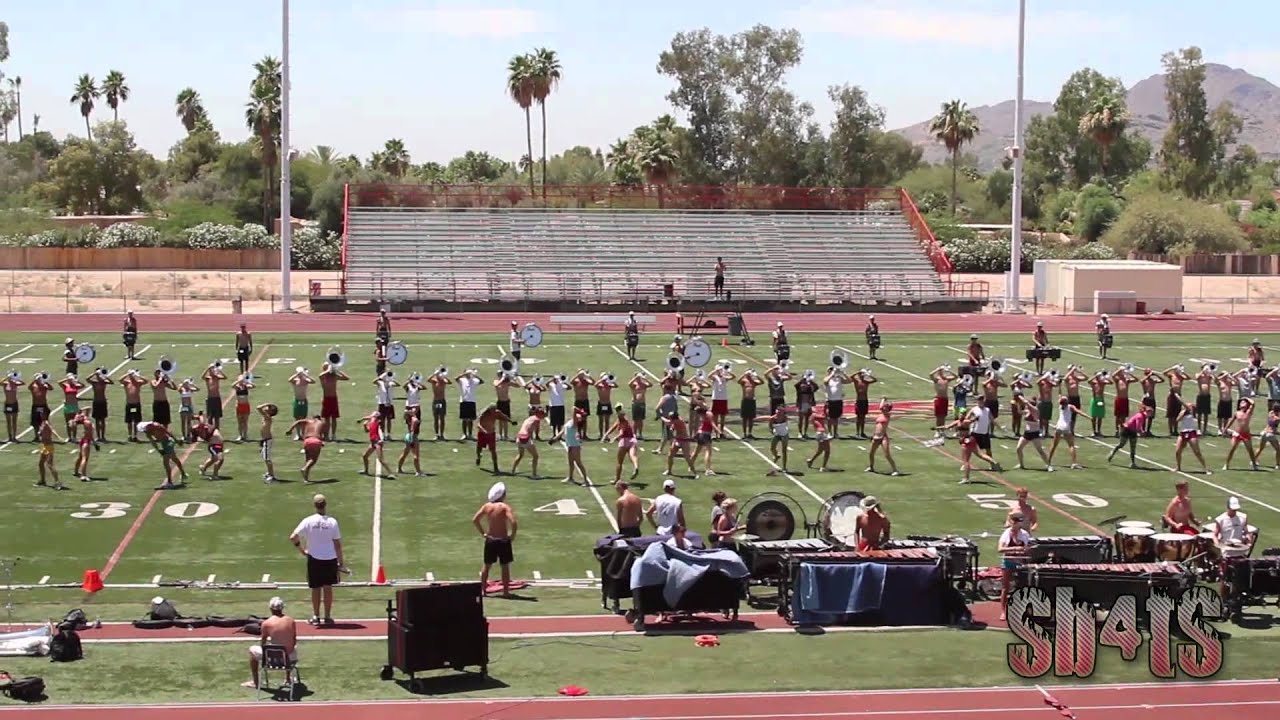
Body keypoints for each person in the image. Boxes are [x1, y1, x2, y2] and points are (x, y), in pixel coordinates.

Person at [290, 494, 347, 626]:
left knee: (315, 588)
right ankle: (327, 617)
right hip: (330, 559)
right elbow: (337, 544)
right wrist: (341, 563)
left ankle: (316, 616)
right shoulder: (332, 522)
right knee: (328, 588)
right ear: (325, 504)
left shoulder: (308, 521)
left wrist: (302, 550)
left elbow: (293, 537)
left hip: (314, 558)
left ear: (314, 505)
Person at [242, 597, 297, 690]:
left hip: (273, 659)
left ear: (271, 608)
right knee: (291, 648)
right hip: (289, 658)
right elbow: (294, 639)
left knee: (252, 650)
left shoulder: (266, 623)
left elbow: (263, 643)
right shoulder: (291, 621)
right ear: (282, 608)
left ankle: (256, 682)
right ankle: (288, 679)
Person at [474, 482, 518, 597]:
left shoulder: (487, 506)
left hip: (491, 540)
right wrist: (512, 535)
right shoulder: (504, 507)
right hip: (503, 540)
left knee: (486, 565)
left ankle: (483, 591)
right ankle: (506, 592)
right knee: (505, 566)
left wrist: (483, 533)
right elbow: (513, 522)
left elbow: (475, 520)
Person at [998, 512, 1032, 621]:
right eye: (1015, 522)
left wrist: (1025, 550)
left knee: (1022, 586)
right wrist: (1015, 549)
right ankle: (1003, 611)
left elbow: (1027, 548)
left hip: (1020, 562)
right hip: (1008, 562)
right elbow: (1000, 549)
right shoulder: (1007, 533)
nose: (1017, 525)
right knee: (1005, 587)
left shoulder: (1024, 534)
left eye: (1019, 522)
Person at [139, 420, 187, 488]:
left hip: (168, 442)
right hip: (165, 443)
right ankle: (183, 474)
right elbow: (153, 442)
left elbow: (168, 433)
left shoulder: (157, 426)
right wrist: (158, 450)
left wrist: (176, 441)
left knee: (166, 462)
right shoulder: (149, 432)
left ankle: (170, 482)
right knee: (174, 458)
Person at [1013, 395, 1053, 472]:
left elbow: (1027, 403)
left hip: (1034, 433)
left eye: (1028, 406)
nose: (1027, 407)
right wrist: (1017, 404)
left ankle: (1049, 465)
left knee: (1040, 450)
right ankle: (1021, 465)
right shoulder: (1027, 411)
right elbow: (1020, 412)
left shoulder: (1035, 410)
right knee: (1018, 449)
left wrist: (1021, 398)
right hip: (1027, 433)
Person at [602, 403, 640, 482]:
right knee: (632, 455)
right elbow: (613, 427)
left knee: (619, 462)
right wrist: (606, 435)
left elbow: (621, 432)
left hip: (624, 441)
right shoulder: (624, 418)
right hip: (632, 440)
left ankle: (617, 479)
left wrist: (614, 438)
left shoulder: (621, 419)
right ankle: (636, 467)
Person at [286, 416, 328, 484]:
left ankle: (306, 479)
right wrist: (323, 442)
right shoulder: (322, 423)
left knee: (308, 459)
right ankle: (304, 468)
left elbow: (297, 421)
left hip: (307, 440)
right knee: (313, 459)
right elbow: (325, 435)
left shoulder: (308, 421)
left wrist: (290, 430)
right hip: (316, 440)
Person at [1046, 396, 1083, 470]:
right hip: (1066, 427)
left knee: (1054, 445)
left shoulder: (1060, 406)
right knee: (1071, 445)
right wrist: (1089, 417)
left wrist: (1059, 387)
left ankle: (1048, 461)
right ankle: (1074, 463)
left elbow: (1060, 397)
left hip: (1059, 426)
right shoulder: (1071, 407)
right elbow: (1079, 412)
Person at [1223, 397, 1261, 471]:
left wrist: (1246, 398)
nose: (1242, 403)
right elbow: (1231, 421)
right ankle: (1226, 464)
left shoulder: (1248, 412)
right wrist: (1225, 429)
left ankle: (1254, 464)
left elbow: (1253, 403)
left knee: (1250, 450)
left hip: (1246, 434)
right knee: (1232, 449)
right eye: (1241, 402)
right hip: (1237, 433)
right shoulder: (1237, 413)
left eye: (1244, 402)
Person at [1173, 400, 1211, 474]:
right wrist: (1182, 414)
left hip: (1191, 432)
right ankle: (1178, 467)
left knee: (1197, 452)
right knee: (1178, 451)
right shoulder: (1183, 412)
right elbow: (1177, 420)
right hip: (1183, 432)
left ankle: (1206, 468)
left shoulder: (1192, 413)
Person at [475, 403, 514, 473]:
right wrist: (483, 430)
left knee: (493, 451)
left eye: (495, 409)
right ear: (489, 410)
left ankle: (495, 467)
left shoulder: (497, 413)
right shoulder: (484, 414)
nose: (494, 411)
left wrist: (511, 421)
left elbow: (504, 417)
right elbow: (478, 424)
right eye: (493, 410)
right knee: (479, 448)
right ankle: (478, 457)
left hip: (491, 434)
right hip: (482, 434)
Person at [34, 408, 66, 490]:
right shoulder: (43, 423)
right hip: (44, 446)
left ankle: (58, 482)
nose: (40, 415)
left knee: (49, 465)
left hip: (49, 447)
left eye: (42, 413)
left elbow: (52, 430)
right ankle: (42, 480)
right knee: (41, 464)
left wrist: (59, 437)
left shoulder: (47, 423)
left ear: (45, 414)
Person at [866, 401, 901, 476]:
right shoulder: (880, 415)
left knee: (887, 454)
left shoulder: (887, 415)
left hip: (883, 437)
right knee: (871, 453)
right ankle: (871, 467)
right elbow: (880, 407)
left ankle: (895, 470)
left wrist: (884, 401)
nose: (883, 408)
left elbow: (882, 407)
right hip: (875, 436)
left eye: (886, 407)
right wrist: (883, 400)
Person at [660, 411, 699, 478]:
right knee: (670, 455)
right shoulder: (675, 421)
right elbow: (673, 426)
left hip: (684, 440)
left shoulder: (678, 421)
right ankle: (669, 471)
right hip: (677, 439)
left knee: (687, 457)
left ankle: (695, 473)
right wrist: (672, 428)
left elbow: (668, 422)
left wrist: (661, 416)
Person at [510, 410, 547, 479]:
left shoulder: (530, 418)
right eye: (543, 415)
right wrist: (531, 440)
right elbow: (531, 430)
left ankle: (513, 471)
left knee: (520, 455)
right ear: (539, 414)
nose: (544, 417)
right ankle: (534, 475)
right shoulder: (537, 420)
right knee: (535, 456)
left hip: (519, 437)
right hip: (525, 438)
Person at [319, 362, 349, 442]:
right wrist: (328, 370)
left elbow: (346, 378)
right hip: (326, 398)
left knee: (334, 418)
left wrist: (337, 370)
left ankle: (333, 435)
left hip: (333, 398)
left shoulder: (334, 376)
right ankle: (326, 435)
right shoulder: (323, 377)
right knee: (327, 419)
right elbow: (320, 376)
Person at [359, 410, 393, 478]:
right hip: (372, 443)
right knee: (365, 456)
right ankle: (366, 470)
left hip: (377, 442)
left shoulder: (377, 423)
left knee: (380, 459)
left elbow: (380, 432)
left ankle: (391, 473)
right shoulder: (371, 423)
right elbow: (367, 431)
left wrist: (382, 440)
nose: (371, 416)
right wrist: (364, 425)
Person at [288, 368, 315, 440]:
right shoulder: (295, 380)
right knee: (297, 418)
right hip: (297, 400)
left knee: (303, 418)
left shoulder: (306, 380)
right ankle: (298, 434)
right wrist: (297, 374)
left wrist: (306, 375)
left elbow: (313, 381)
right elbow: (289, 380)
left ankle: (303, 434)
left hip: (304, 400)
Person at [397, 407, 424, 477]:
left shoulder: (408, 418)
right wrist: (412, 441)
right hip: (413, 437)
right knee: (416, 455)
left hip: (407, 436)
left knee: (405, 453)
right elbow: (412, 429)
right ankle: (418, 471)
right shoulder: (414, 419)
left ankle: (399, 469)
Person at [457, 369, 483, 441]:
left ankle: (470, 434)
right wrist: (463, 374)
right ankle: (464, 434)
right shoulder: (462, 380)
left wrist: (474, 375)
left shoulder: (474, 380)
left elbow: (482, 381)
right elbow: (456, 379)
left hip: (472, 401)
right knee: (464, 419)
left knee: (471, 419)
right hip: (464, 401)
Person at [202, 361, 228, 431]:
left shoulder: (217, 377)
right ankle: (209, 432)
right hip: (210, 398)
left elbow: (225, 377)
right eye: (211, 370)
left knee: (217, 417)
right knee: (210, 417)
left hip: (217, 398)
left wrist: (219, 371)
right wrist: (207, 368)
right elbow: (202, 377)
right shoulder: (208, 378)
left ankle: (217, 431)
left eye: (213, 369)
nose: (212, 371)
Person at [737, 368, 763, 438]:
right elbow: (738, 381)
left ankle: (750, 433)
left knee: (751, 418)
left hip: (752, 401)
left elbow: (762, 382)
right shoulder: (744, 381)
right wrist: (744, 374)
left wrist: (756, 375)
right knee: (744, 418)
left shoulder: (754, 381)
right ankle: (744, 433)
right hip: (745, 400)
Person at [72, 409, 96, 482]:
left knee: (80, 457)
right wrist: (94, 442)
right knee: (85, 458)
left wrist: (80, 412)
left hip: (82, 440)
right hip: (86, 441)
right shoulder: (88, 422)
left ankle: (76, 471)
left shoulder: (82, 422)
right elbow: (90, 434)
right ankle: (83, 475)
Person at [121, 370, 145, 441]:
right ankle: (129, 435)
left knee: (136, 421)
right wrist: (127, 374)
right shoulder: (127, 383)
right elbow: (120, 380)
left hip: (136, 405)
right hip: (129, 404)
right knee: (129, 421)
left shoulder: (138, 383)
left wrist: (138, 375)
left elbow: (146, 381)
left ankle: (135, 436)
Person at [257, 403, 278, 483]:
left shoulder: (267, 417)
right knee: (264, 457)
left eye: (267, 407)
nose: (265, 408)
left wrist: (268, 403)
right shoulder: (265, 417)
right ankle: (269, 473)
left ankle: (272, 475)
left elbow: (258, 407)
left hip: (267, 440)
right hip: (264, 440)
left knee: (267, 458)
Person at [60, 373, 85, 440]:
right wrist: (67, 379)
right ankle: (69, 437)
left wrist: (76, 381)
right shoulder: (65, 386)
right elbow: (59, 382)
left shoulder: (75, 386)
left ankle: (74, 437)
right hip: (67, 405)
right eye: (70, 379)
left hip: (74, 405)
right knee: (68, 422)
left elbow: (83, 385)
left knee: (74, 422)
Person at [628, 372, 652, 440]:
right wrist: (635, 378)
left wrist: (645, 379)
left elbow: (650, 384)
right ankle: (634, 434)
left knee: (641, 420)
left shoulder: (643, 384)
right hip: (635, 403)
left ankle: (640, 434)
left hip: (642, 403)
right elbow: (629, 383)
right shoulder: (634, 385)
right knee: (635, 420)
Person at [232, 372, 254, 442]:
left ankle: (245, 435)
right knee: (240, 422)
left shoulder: (246, 386)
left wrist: (247, 381)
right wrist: (238, 381)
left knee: (245, 422)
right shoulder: (237, 387)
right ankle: (240, 435)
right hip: (239, 406)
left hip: (246, 405)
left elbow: (253, 386)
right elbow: (232, 385)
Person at [2, 371, 21, 443]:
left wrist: (16, 379)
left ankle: (14, 437)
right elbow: (0, 382)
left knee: (14, 421)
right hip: (7, 404)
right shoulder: (5, 384)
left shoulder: (15, 383)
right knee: (8, 422)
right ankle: (10, 437)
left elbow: (23, 383)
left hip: (14, 404)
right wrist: (7, 378)